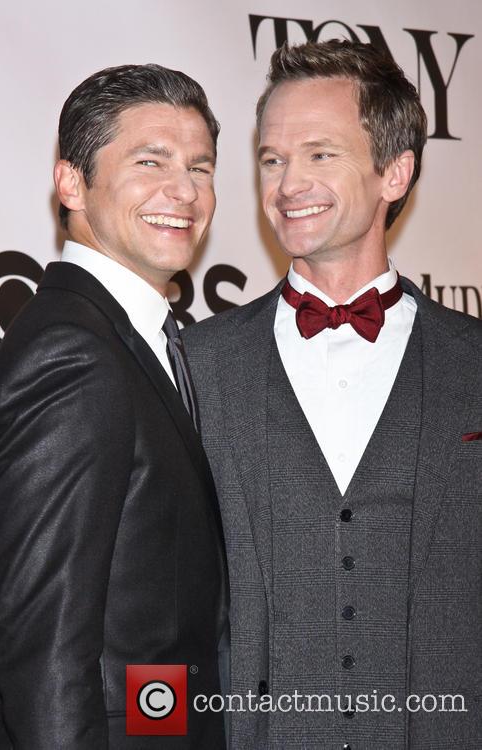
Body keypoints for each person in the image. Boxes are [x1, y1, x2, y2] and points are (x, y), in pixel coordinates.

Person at [182, 40, 482, 749]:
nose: (288, 184)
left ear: (395, 170)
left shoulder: (474, 362)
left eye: (320, 154)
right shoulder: (196, 363)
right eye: (272, 159)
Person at [0, 63, 228, 749]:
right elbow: (43, 648)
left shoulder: (142, 341)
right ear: (71, 184)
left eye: (201, 168)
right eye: (152, 161)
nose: (184, 191)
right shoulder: (74, 354)